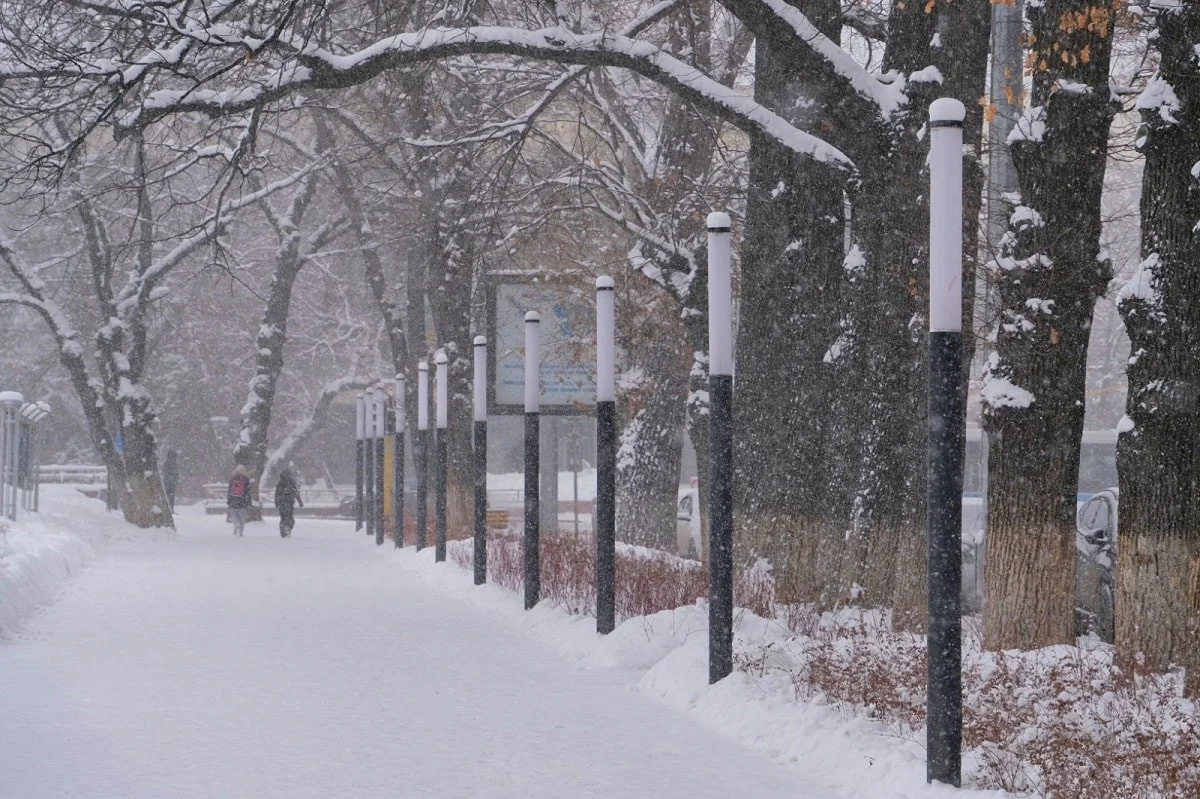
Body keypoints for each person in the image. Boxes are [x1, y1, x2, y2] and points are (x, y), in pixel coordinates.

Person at [273, 466, 303, 538]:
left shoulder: (280, 483)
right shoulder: (291, 483)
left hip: (282, 503)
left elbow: (276, 494)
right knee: (289, 518)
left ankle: (284, 530)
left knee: (283, 517)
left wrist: (276, 502)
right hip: (289, 503)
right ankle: (287, 529)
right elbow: (296, 492)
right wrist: (300, 502)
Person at [227, 465, 251, 537]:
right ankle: (240, 531)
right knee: (242, 518)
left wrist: (229, 500)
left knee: (234, 516)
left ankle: (235, 525)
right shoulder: (246, 479)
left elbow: (229, 490)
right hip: (242, 501)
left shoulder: (232, 478)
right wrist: (249, 502)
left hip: (233, 500)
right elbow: (248, 492)